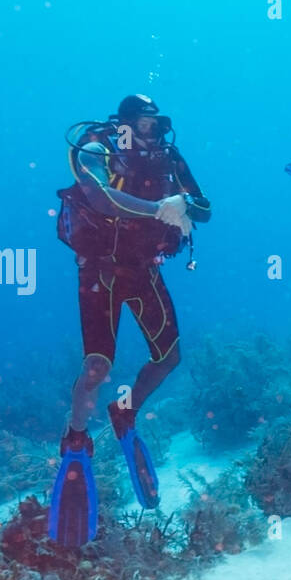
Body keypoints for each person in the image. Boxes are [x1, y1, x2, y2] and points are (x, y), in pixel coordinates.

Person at [49, 94, 211, 545]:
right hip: (100, 268)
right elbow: (98, 197)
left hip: (144, 268)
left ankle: (125, 410)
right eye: (143, 123)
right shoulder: (95, 143)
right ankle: (76, 439)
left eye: (157, 123)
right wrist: (161, 209)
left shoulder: (166, 155)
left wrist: (186, 205)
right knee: (98, 367)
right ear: (123, 121)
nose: (151, 131)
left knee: (169, 356)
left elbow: (205, 206)